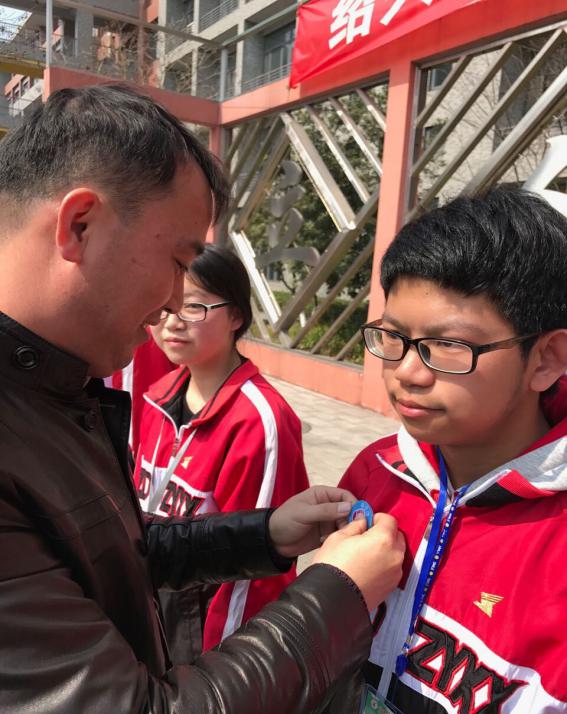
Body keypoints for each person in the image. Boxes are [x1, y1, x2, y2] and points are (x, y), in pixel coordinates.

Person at [0, 83, 405, 713]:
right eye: (177, 261)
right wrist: (338, 592)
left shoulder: (57, 389)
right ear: (80, 225)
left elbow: (116, 552)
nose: (172, 305)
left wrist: (263, 535)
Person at [324, 187, 567, 713]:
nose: (408, 372)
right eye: (392, 337)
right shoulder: (378, 470)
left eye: (449, 346)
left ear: (546, 358)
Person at [134, 243, 310, 661]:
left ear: (235, 316)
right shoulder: (156, 397)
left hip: (207, 651)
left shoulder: (260, 422)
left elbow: (256, 575)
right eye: (165, 305)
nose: (173, 322)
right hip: (153, 623)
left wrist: (219, 672)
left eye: (193, 307)